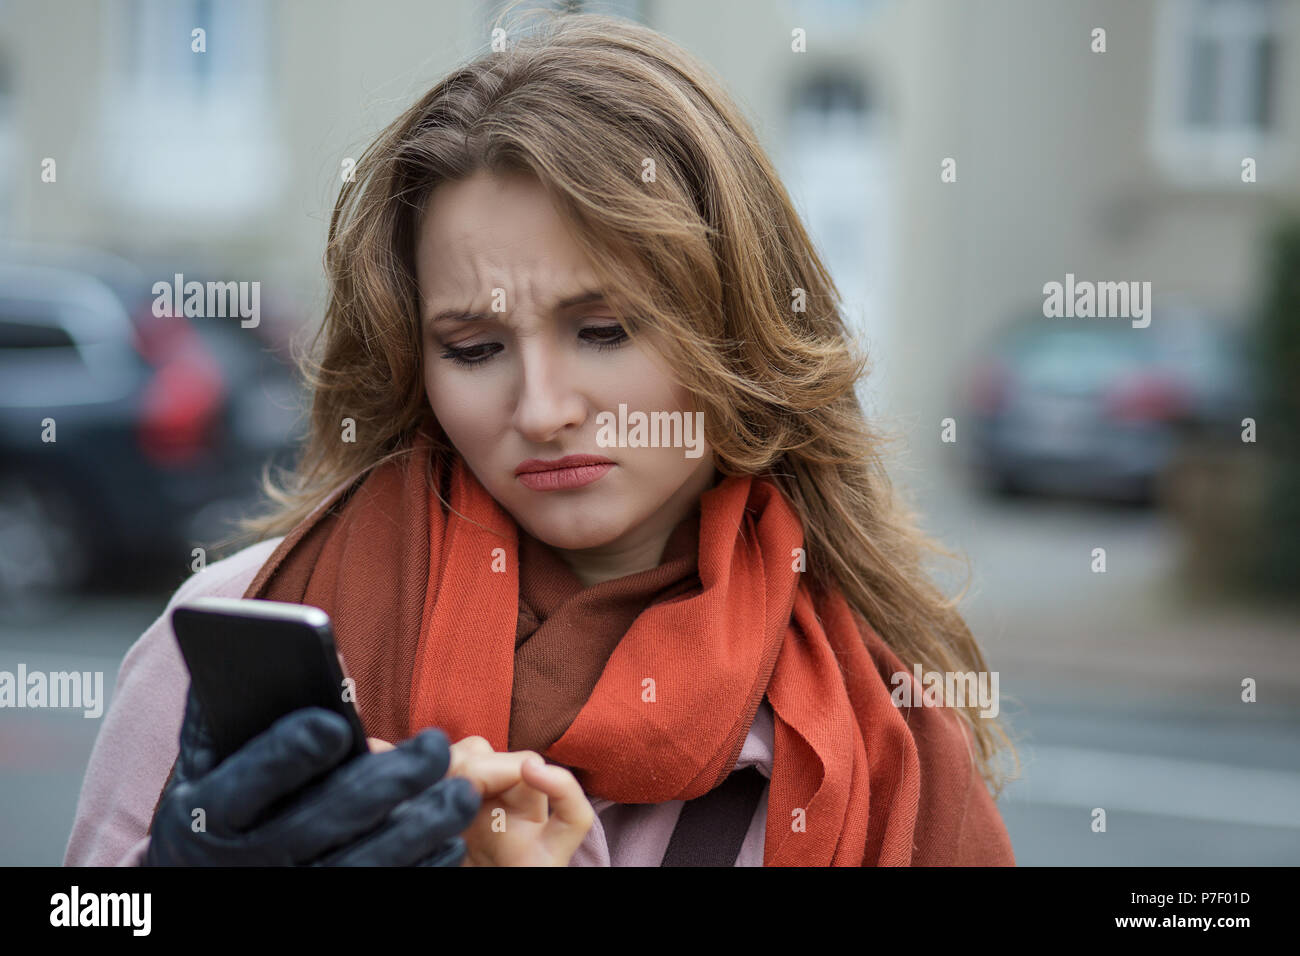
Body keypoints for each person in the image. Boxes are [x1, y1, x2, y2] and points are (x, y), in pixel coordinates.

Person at [66, 9, 1017, 867]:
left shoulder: (886, 726)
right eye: (474, 347)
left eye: (603, 332)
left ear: (734, 326)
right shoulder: (233, 637)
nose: (543, 407)